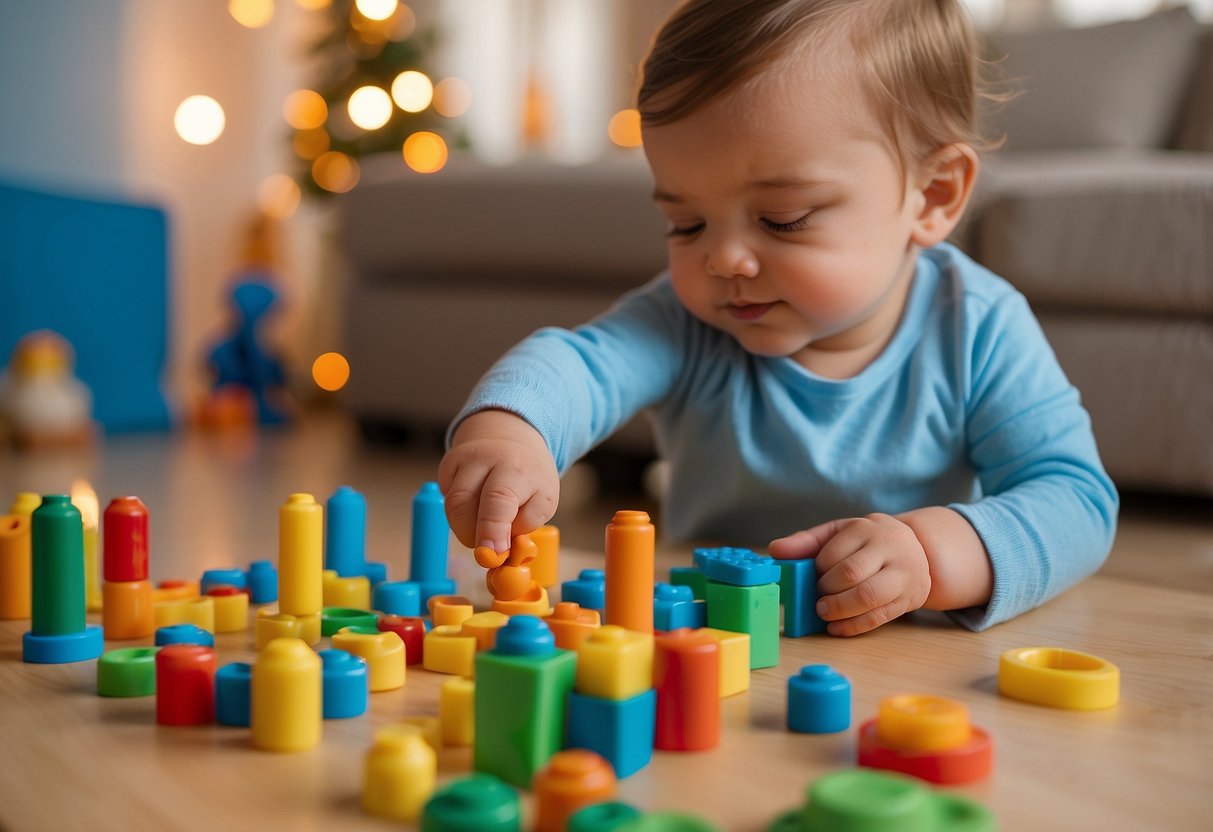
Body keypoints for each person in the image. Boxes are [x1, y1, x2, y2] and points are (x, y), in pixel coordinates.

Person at [438, 0, 1118, 635]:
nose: (724, 259)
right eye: (685, 223)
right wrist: (510, 433)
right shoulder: (686, 321)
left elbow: (1074, 500)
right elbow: (578, 367)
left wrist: (935, 554)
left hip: (894, 645)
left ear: (932, 196)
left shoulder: (977, 326)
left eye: (781, 219)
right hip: (702, 631)